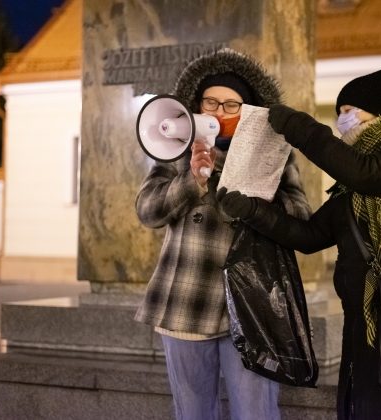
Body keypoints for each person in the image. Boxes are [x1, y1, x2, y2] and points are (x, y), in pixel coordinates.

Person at [217, 66, 381, 419]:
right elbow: (311, 236)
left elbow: (365, 173)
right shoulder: (353, 183)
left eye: (347, 111)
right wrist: (251, 210)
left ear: (376, 110)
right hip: (366, 317)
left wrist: (300, 128)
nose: (341, 120)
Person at [134, 48, 311, 420]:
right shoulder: (176, 148)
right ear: (197, 104)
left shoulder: (275, 152)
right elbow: (147, 211)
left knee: (256, 412)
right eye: (211, 102)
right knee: (192, 412)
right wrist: (191, 181)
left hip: (253, 304)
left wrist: (259, 201)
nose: (219, 112)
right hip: (187, 296)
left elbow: (301, 215)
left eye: (231, 105)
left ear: (247, 110)